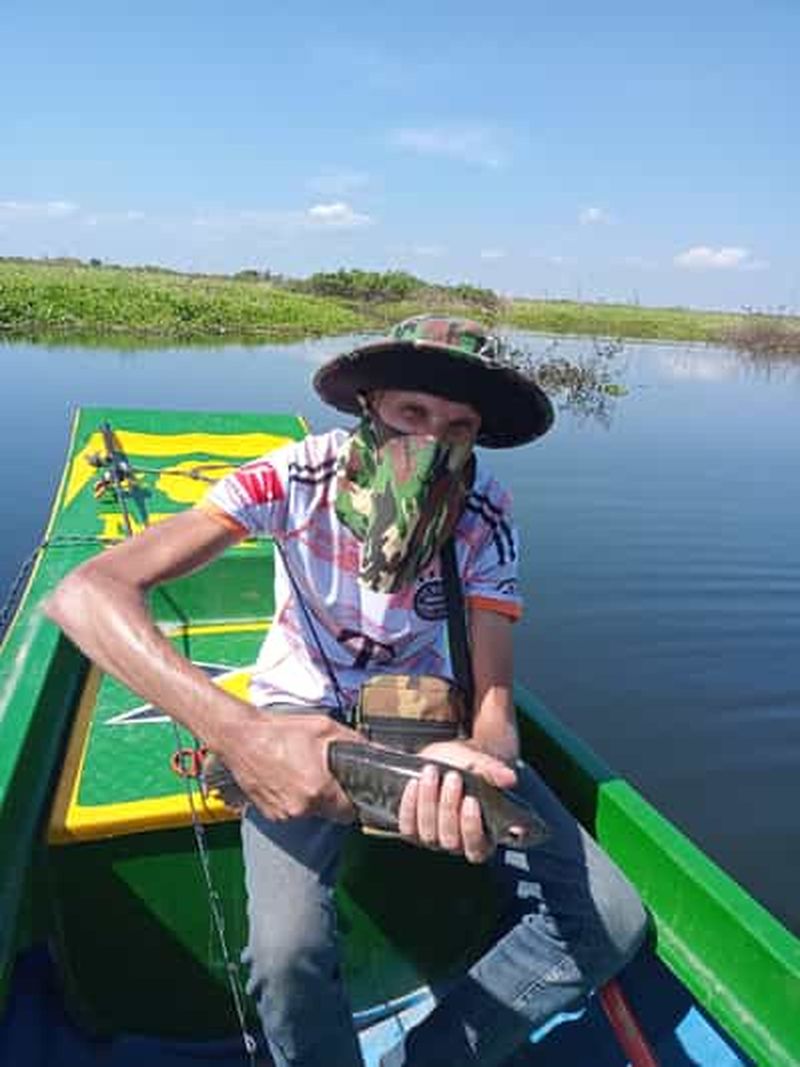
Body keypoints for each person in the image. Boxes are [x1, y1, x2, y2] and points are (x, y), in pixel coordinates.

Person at [46, 315, 647, 1067]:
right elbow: (86, 594)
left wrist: (479, 762)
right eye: (412, 414)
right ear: (370, 403)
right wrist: (241, 735)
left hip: (423, 719)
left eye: (459, 424)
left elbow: (494, 702)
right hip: (293, 718)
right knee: (286, 952)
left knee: (611, 920)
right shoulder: (293, 475)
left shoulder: (485, 510)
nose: (433, 440)